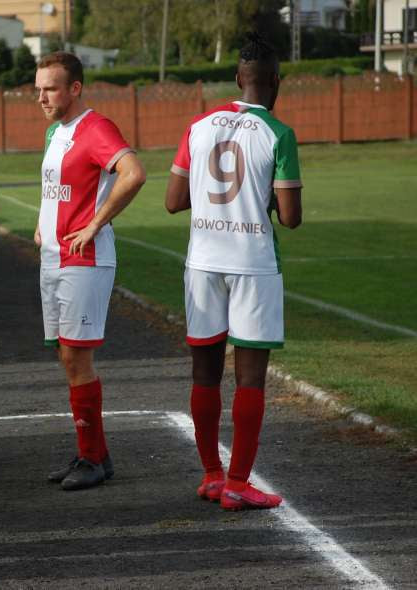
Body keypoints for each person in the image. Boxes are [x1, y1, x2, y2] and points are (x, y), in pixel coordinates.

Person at [165, 33, 302, 510]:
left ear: (237, 79)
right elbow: (291, 215)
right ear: (275, 82)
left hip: (203, 262)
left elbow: (173, 202)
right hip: (254, 264)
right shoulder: (279, 133)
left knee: (204, 371)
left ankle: (210, 475)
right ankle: (239, 484)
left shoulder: (198, 126)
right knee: (250, 378)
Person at [34, 52, 147, 491]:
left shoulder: (96, 128)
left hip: (85, 259)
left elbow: (133, 173)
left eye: (51, 88)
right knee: (67, 355)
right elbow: (59, 187)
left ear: (75, 88)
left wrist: (96, 222)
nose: (41, 95)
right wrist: (44, 227)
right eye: (39, 87)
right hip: (56, 258)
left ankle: (91, 458)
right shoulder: (55, 131)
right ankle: (94, 454)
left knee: (77, 356)